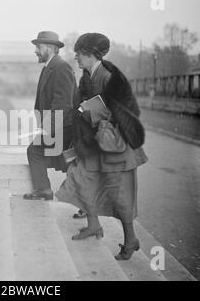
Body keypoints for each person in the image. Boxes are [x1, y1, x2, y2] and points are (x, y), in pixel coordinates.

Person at [55, 33, 148, 260]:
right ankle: (94, 225)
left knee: (120, 194)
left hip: (116, 145)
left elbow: (124, 111)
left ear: (89, 54)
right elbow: (79, 106)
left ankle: (131, 240)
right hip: (93, 143)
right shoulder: (87, 75)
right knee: (80, 179)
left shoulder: (107, 76)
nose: (75, 57)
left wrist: (88, 110)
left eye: (78, 53)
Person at [23, 31, 78, 200]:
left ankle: (44, 190)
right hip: (59, 127)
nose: (36, 51)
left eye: (38, 47)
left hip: (64, 128)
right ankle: (82, 198)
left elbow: (62, 105)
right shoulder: (51, 66)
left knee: (35, 151)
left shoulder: (61, 67)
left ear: (49, 48)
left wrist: (47, 130)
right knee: (71, 165)